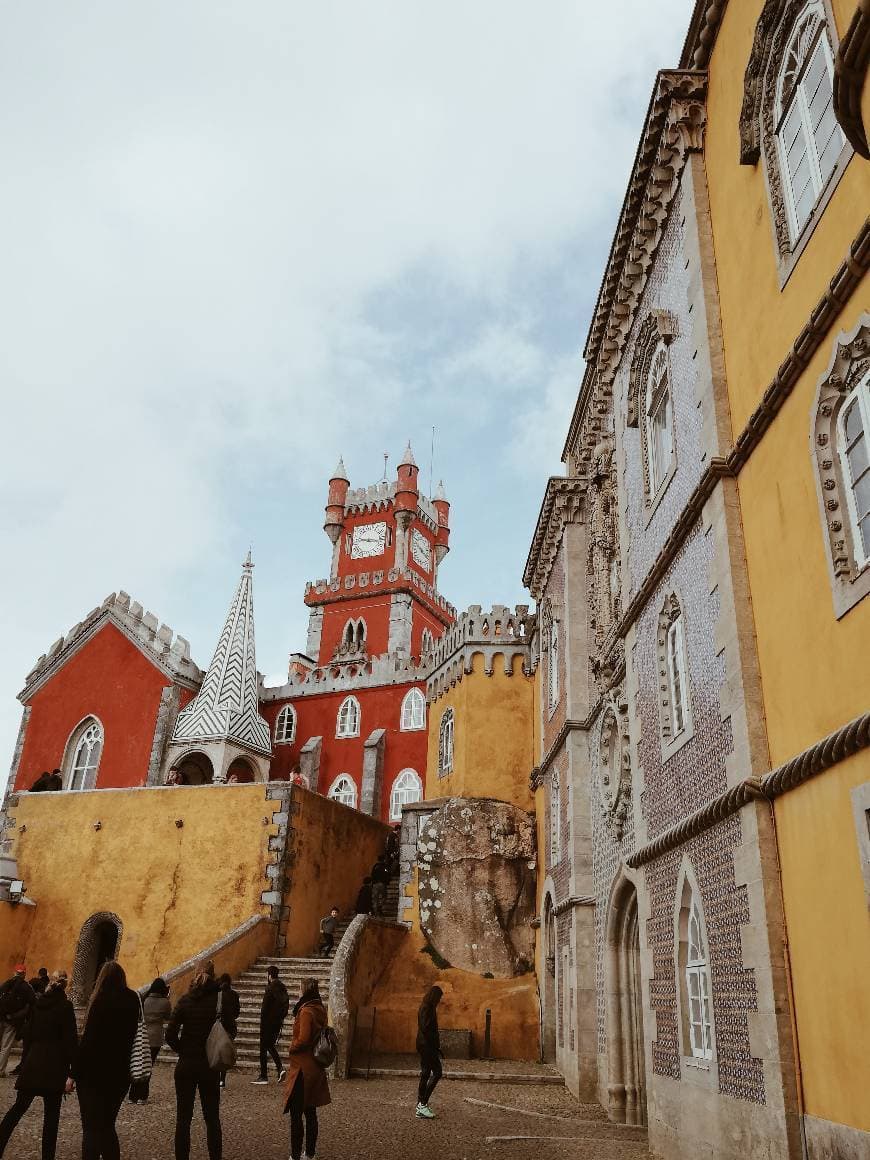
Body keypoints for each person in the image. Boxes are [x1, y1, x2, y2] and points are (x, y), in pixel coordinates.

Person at [0, 970, 77, 1160]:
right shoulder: (65, 1007)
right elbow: (70, 1042)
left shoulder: (38, 1004)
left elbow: (29, 1035)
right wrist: (71, 1072)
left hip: (34, 1063)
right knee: (51, 1117)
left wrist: (25, 1062)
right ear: (65, 985)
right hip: (54, 1067)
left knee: (17, 1109)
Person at [75, 960, 141, 1160]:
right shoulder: (133, 999)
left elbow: (88, 1043)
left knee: (90, 1127)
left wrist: (73, 1073)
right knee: (107, 1126)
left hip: (92, 1076)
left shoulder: (99, 1000)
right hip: (119, 1074)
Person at [165, 965, 227, 1160]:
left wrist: (182, 1049)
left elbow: (170, 1034)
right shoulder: (218, 1002)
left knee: (183, 1119)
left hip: (186, 1064)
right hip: (208, 1065)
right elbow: (230, 1030)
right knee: (212, 1118)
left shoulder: (185, 1001)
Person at [282, 977, 330, 1160]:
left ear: (305, 991)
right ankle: (309, 1153)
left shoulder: (306, 1012)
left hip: (302, 1068)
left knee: (296, 1115)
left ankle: (295, 1155)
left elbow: (303, 1039)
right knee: (310, 1113)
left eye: (300, 989)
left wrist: (291, 1047)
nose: (298, 992)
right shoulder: (319, 1009)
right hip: (315, 1067)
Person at [251, 965, 288, 1085]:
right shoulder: (283, 988)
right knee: (269, 1045)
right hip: (278, 1022)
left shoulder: (270, 988)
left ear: (269, 975)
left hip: (268, 1022)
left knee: (264, 1046)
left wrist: (262, 1022)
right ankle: (278, 1069)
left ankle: (265, 1075)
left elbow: (264, 1008)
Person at [138, 978, 171, 1102]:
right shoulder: (165, 1002)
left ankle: (133, 1095)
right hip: (155, 1037)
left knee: (139, 1064)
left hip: (143, 1034)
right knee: (148, 1065)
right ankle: (142, 1095)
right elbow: (168, 1017)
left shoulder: (144, 1000)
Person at [0, 966, 35, 1077]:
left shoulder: (6, 984)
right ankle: (0, 1070)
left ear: (14, 972)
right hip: (13, 1021)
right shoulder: (26, 987)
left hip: (1, 1017)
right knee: (6, 1046)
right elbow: (31, 1003)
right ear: (24, 974)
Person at [415, 985, 443, 1120]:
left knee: (425, 1073)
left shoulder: (425, 1006)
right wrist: (435, 1045)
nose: (439, 1001)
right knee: (437, 1072)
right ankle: (422, 1104)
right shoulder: (427, 1008)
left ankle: (420, 1105)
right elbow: (426, 1028)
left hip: (424, 1045)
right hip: (427, 1046)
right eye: (439, 998)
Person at [215, 974, 240, 1090]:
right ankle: (222, 1079)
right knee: (225, 1053)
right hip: (231, 1027)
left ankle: (215, 1078)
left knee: (216, 1052)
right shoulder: (234, 995)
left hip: (219, 1026)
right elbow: (236, 1013)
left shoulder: (217, 994)